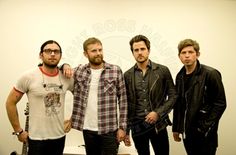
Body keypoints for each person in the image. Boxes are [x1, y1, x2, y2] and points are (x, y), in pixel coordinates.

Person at [5, 40, 74, 155]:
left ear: (60, 56)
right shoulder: (28, 77)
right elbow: (10, 103)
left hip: (59, 137)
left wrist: (73, 119)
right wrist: (18, 131)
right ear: (41, 55)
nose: (52, 54)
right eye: (48, 51)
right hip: (36, 139)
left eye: (56, 51)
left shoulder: (67, 77)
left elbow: (82, 97)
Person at [69, 37, 128, 155]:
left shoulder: (115, 70)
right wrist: (65, 65)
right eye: (94, 51)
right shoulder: (79, 71)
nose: (98, 53)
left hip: (109, 129)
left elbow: (123, 101)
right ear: (85, 54)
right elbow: (61, 71)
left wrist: (122, 128)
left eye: (100, 50)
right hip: (87, 129)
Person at [123, 34, 177, 155]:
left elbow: (173, 96)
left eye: (142, 49)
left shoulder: (162, 70)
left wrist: (158, 113)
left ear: (149, 50)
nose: (139, 52)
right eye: (136, 50)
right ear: (132, 53)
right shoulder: (127, 75)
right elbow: (125, 104)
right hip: (137, 127)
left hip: (158, 125)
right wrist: (126, 130)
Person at [172, 39, 227, 155]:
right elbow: (179, 104)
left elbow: (220, 103)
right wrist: (176, 128)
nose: (187, 56)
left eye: (190, 52)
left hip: (205, 135)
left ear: (197, 54)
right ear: (179, 56)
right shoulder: (180, 76)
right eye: (183, 53)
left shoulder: (211, 74)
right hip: (187, 134)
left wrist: (204, 127)